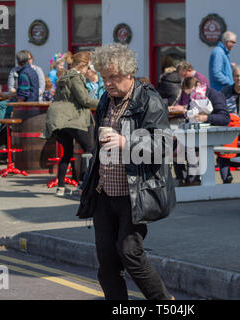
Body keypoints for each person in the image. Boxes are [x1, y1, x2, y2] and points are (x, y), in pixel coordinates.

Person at [76, 43, 176, 300]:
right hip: (104, 192)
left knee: (130, 252)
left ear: (129, 74)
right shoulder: (105, 100)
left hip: (134, 193)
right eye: (104, 77)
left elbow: (163, 146)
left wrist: (125, 141)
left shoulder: (149, 101)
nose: (108, 83)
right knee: (107, 265)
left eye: (114, 77)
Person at [45, 51, 99, 196]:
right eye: (87, 67)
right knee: (91, 150)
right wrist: (103, 102)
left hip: (60, 119)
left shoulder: (64, 76)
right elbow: (84, 100)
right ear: (82, 65)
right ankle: (84, 185)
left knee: (67, 153)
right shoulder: (75, 77)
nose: (88, 70)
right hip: (74, 119)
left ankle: (61, 187)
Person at [0, 50, 40, 139]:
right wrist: (8, 95)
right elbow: (24, 91)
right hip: (32, 103)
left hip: (26, 106)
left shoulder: (24, 74)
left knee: (1, 105)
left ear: (18, 61)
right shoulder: (31, 71)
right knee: (3, 107)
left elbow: (23, 95)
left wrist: (15, 109)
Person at [215, 113, 240, 184]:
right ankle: (228, 175)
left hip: (222, 146)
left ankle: (226, 178)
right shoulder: (237, 121)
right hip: (233, 146)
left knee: (223, 163)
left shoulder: (221, 120)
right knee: (227, 161)